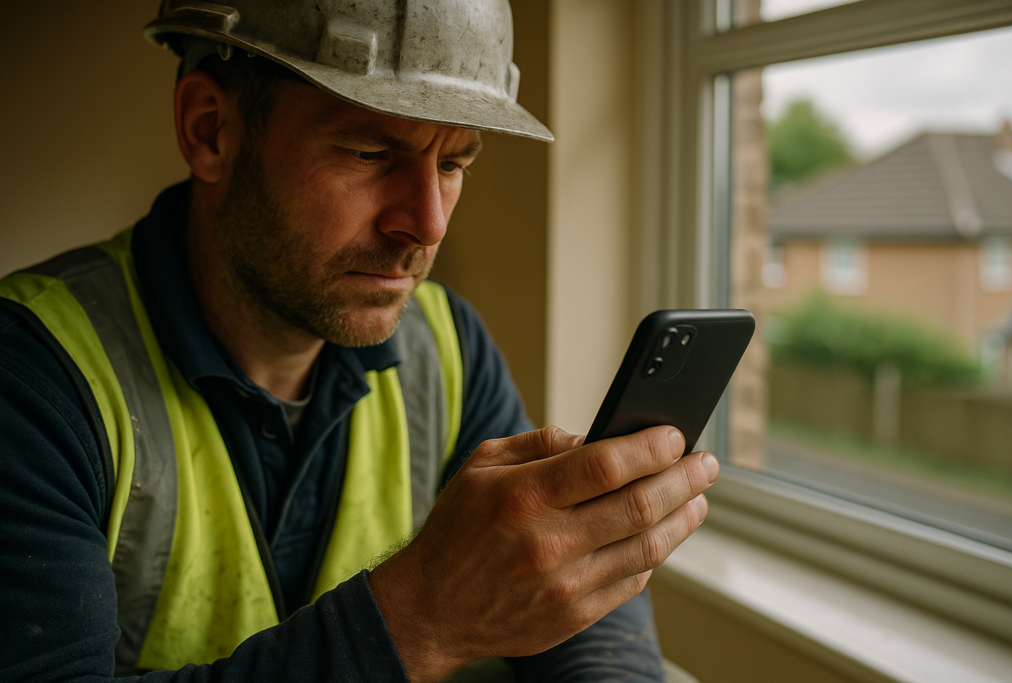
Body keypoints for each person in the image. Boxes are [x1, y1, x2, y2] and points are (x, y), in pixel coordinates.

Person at [0, 1, 718, 681]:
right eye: (371, 152)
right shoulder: (32, 373)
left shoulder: (447, 344)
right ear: (209, 130)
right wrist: (420, 620)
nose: (428, 224)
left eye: (452, 165)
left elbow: (567, 606)